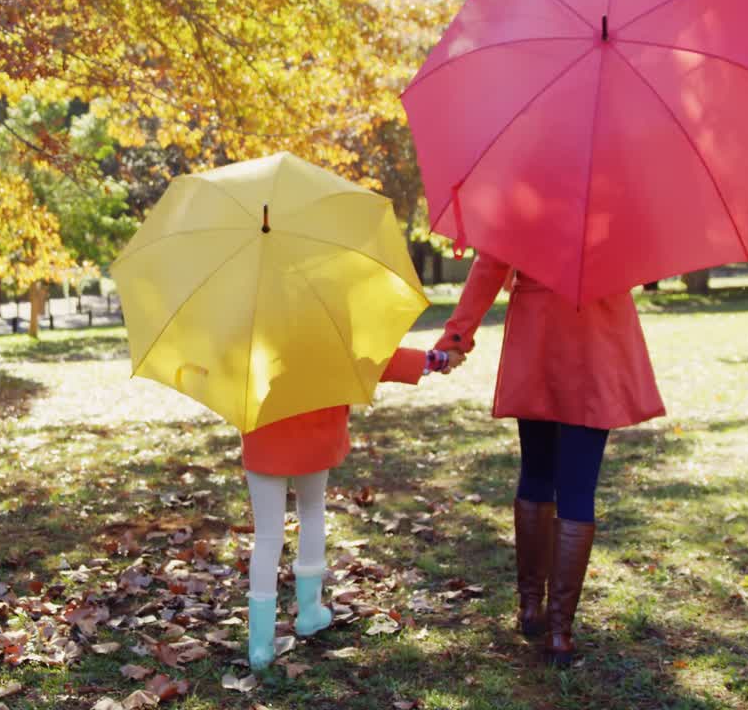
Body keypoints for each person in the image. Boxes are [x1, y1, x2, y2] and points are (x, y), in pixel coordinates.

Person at [435, 251, 665, 666]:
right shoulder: (620, 191)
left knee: (537, 469)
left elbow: (490, 264)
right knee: (577, 485)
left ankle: (529, 608)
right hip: (599, 330)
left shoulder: (525, 190)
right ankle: (559, 633)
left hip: (538, 329)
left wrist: (457, 337)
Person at [243, 346, 462, 670]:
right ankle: (309, 612)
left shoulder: (253, 317)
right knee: (312, 509)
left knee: (267, 536)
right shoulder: (328, 312)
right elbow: (375, 357)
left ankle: (260, 646)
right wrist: (437, 360)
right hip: (315, 431)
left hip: (263, 432)